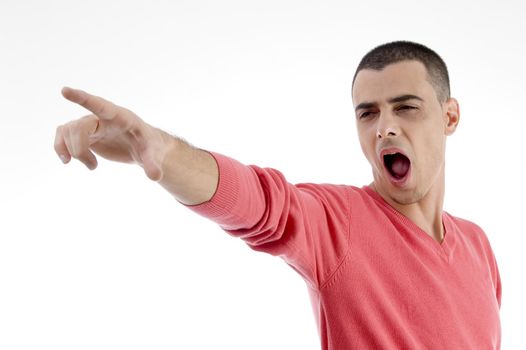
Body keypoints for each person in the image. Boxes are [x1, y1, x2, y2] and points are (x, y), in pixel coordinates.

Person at [54, 40, 502, 349]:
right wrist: (159, 150)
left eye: (405, 107)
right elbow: (262, 204)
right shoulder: (338, 222)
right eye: (368, 113)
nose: (385, 126)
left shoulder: (479, 248)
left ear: (450, 116)